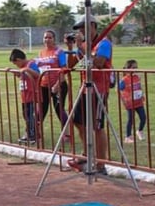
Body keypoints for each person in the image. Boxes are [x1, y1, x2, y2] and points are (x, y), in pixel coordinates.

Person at [66, 15, 113, 175]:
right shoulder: (86, 45)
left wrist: (82, 48)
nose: (80, 31)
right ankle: (86, 154)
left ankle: (101, 165)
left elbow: (99, 63)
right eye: (79, 28)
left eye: (82, 27)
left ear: (93, 26)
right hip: (85, 88)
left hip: (99, 89)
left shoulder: (103, 43)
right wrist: (73, 48)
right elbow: (71, 65)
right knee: (77, 121)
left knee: (97, 127)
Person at [35, 30, 69, 141]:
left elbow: (64, 69)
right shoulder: (41, 53)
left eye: (50, 37)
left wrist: (58, 84)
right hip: (44, 85)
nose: (47, 40)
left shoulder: (59, 52)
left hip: (58, 85)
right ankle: (36, 132)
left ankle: (67, 133)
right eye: (45, 37)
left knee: (59, 108)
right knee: (41, 109)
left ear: (54, 39)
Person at [6, 48, 40, 145]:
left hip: (32, 95)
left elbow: (38, 74)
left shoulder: (31, 64)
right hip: (24, 96)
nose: (16, 66)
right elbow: (20, 75)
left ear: (19, 60)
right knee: (26, 116)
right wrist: (12, 71)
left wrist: (27, 69)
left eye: (16, 64)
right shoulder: (22, 67)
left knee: (30, 116)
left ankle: (33, 135)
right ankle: (29, 134)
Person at [119, 59, 146, 143]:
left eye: (136, 67)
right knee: (130, 119)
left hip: (138, 102)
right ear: (128, 68)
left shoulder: (137, 77)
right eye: (134, 67)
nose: (136, 69)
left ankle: (140, 131)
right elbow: (120, 90)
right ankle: (128, 136)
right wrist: (124, 100)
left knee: (143, 117)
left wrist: (142, 95)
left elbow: (138, 87)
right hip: (130, 103)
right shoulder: (124, 80)